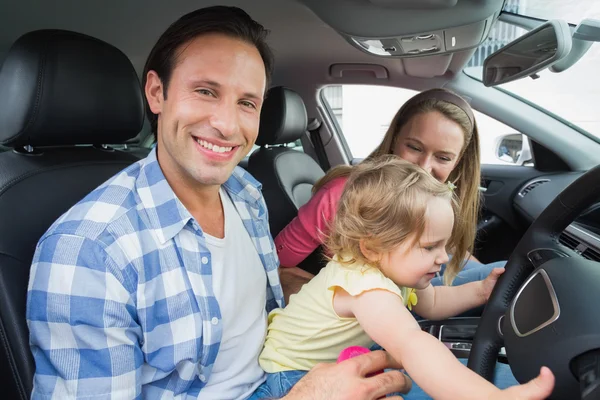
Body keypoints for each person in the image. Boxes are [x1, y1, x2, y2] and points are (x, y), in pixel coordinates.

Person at [25, 6, 411, 400]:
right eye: (206, 91)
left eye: (247, 103)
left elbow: (242, 313)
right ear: (157, 93)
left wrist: (315, 293)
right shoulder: (89, 250)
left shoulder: (245, 193)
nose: (228, 125)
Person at [253, 156, 554, 400]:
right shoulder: (365, 287)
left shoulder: (388, 266)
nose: (443, 257)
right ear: (371, 247)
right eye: (429, 247)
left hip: (325, 363)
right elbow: (412, 345)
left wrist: (480, 291)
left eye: (443, 245)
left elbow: (434, 302)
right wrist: (486, 396)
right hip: (293, 380)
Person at [277, 88, 506, 305]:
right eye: (415, 148)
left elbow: (449, 253)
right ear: (395, 138)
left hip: (414, 291)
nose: (424, 168)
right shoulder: (343, 194)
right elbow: (276, 268)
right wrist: (338, 306)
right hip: (368, 310)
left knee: (505, 277)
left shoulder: (434, 198)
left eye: (443, 158)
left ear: (458, 162)